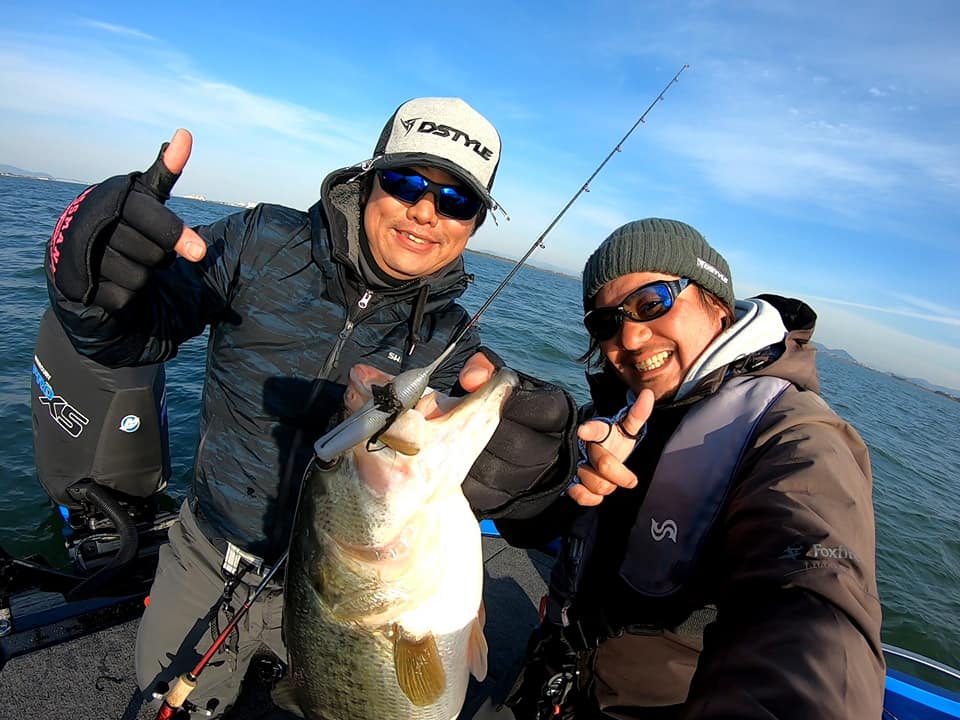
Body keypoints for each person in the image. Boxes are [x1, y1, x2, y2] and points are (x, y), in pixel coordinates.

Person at [43, 97, 578, 718]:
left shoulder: (456, 342)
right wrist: (89, 285)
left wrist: (542, 474)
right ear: (368, 179)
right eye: (407, 184)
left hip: (347, 595)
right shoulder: (260, 241)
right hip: (209, 553)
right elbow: (131, 334)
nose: (426, 212)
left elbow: (518, 486)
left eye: (457, 200)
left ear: (474, 225)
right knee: (170, 696)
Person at [465, 218, 885, 719]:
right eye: (606, 322)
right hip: (551, 679)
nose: (630, 336)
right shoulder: (620, 413)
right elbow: (547, 529)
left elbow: (813, 605)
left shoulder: (797, 438)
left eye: (651, 303)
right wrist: (535, 476)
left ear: (717, 303)